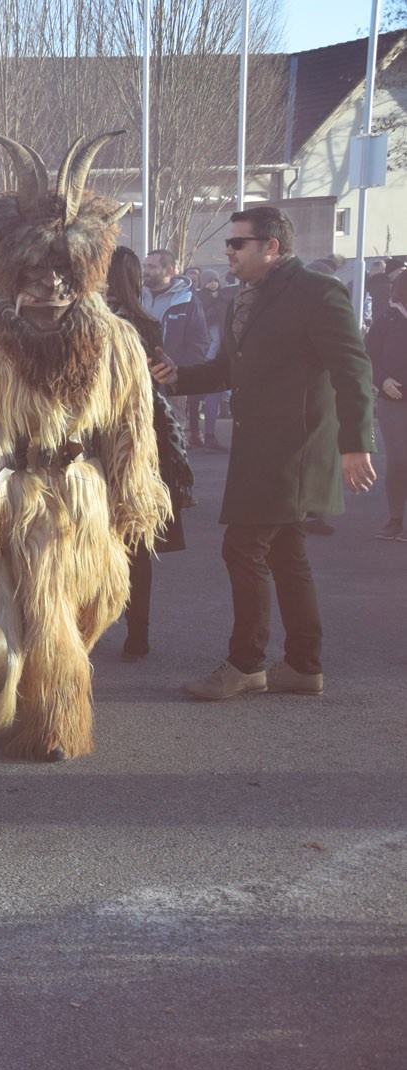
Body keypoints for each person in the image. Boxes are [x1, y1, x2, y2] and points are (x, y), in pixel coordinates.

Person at [154, 206, 376, 700]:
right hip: (258, 450)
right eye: (228, 243)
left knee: (243, 547)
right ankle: (302, 666)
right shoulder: (244, 298)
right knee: (286, 553)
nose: (229, 252)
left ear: (272, 247)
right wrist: (178, 377)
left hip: (295, 451)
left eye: (238, 243)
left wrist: (356, 444)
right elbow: (227, 369)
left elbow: (353, 370)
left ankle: (246, 665)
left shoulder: (317, 292)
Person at [105, 247, 194, 661]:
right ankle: (136, 633)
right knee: (135, 537)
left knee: (93, 533)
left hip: (102, 436)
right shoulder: (146, 322)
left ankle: (90, 627)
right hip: (142, 437)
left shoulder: (92, 323)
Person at [142, 249, 213, 448]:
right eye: (145, 266)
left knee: (171, 444)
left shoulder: (187, 301)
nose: (145, 271)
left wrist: (180, 374)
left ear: (169, 271)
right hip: (138, 380)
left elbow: (199, 342)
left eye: (152, 267)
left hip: (171, 386)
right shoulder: (136, 297)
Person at [364, 271, 407, 539]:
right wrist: (382, 380)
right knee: (399, 460)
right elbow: (367, 356)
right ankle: (395, 520)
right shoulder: (385, 321)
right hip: (393, 400)